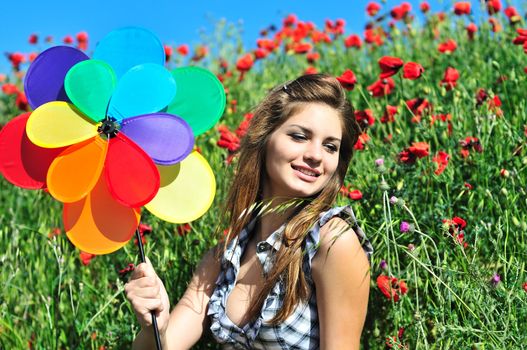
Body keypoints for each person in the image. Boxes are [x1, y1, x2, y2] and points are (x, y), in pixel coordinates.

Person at [125, 73, 374, 349]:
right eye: (300, 136)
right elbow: (167, 345)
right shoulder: (222, 258)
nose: (316, 155)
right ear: (265, 138)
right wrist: (154, 327)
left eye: (330, 146)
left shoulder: (332, 241)